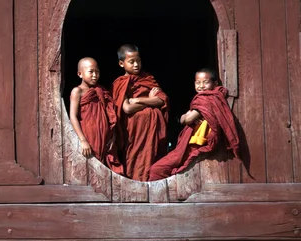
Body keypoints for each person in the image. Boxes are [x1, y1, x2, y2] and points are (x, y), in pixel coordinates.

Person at [148, 68, 241, 181]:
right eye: (198, 82)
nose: (201, 86)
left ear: (215, 83)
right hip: (191, 143)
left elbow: (187, 119)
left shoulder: (207, 99)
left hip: (197, 144)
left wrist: (187, 116)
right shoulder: (207, 99)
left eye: (205, 82)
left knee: (157, 169)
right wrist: (186, 117)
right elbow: (183, 119)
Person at [112, 44, 169, 181]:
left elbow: (162, 100)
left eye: (138, 61)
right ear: (121, 63)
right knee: (134, 160)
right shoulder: (119, 83)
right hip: (133, 131)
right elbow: (127, 109)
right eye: (131, 62)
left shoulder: (148, 79)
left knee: (153, 158)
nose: (136, 65)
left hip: (153, 129)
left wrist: (137, 101)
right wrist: (150, 100)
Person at [69, 57, 123, 174]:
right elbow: (73, 116)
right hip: (89, 137)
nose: (95, 75)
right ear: (80, 74)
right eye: (91, 71)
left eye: (97, 72)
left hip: (104, 138)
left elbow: (110, 115)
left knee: (103, 170)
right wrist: (82, 140)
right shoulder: (77, 91)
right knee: (90, 170)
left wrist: (112, 136)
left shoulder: (101, 91)